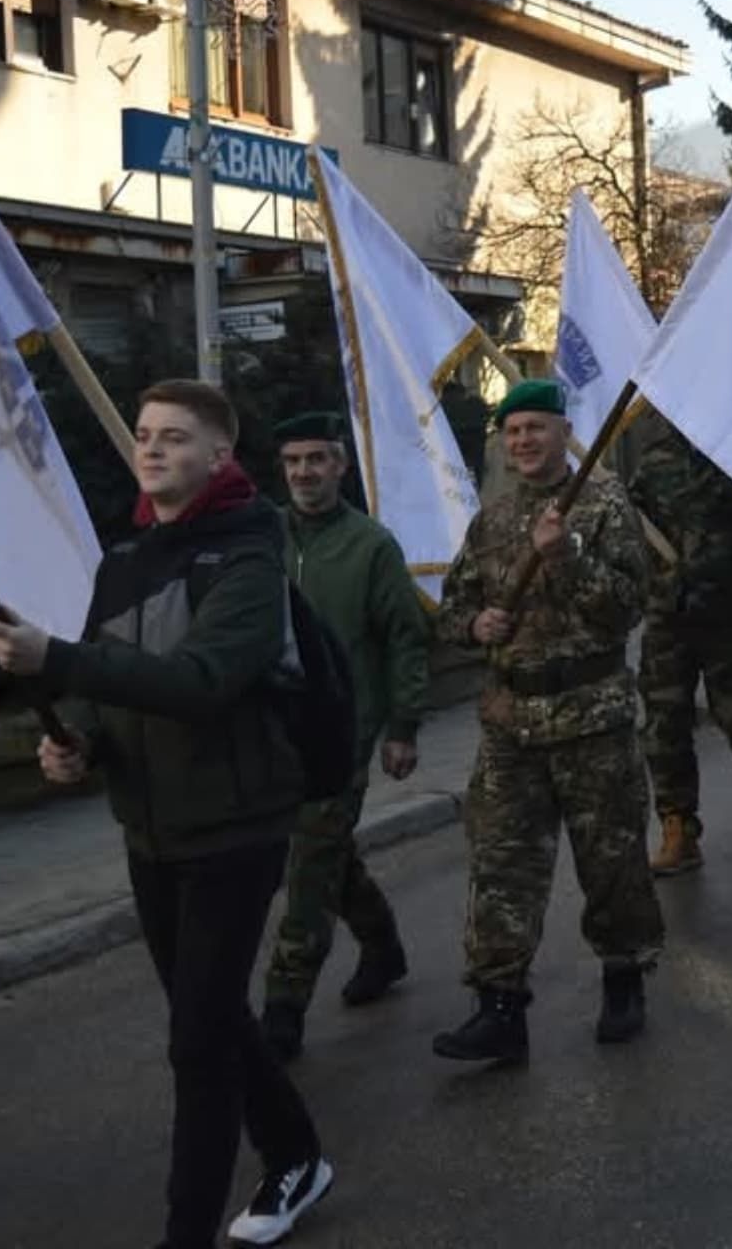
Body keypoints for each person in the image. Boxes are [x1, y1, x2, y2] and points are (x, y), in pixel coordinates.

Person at [0, 380, 332, 1249]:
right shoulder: (126, 560)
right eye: (144, 434)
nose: (151, 448)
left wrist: (57, 657)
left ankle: (186, 1234)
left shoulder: (250, 556)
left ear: (219, 456)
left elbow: (206, 681)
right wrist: (80, 744)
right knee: (207, 1014)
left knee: (197, 1044)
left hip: (236, 827)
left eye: (174, 437)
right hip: (151, 829)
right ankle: (298, 1153)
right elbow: (108, 685)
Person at [431, 379, 663, 1064]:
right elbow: (449, 612)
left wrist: (566, 556)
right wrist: (476, 623)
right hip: (510, 722)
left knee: (611, 860)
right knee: (501, 865)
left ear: (565, 434)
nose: (524, 440)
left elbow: (626, 607)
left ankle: (623, 976)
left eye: (537, 427)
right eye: (514, 430)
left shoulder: (605, 505)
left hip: (590, 715)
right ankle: (500, 1006)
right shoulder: (493, 519)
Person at [260, 411, 429, 1062]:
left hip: (343, 734)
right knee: (323, 851)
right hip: (273, 734)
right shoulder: (262, 536)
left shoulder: (370, 545)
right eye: (294, 461)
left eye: (318, 459)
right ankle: (382, 945)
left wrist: (403, 726)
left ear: (341, 465)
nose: (304, 472)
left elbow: (405, 639)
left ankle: (284, 1005)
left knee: (308, 863)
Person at [629, 411, 732, 875]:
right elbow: (630, 524)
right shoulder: (654, 462)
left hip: (729, 608)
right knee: (663, 722)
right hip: (667, 612)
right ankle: (679, 828)